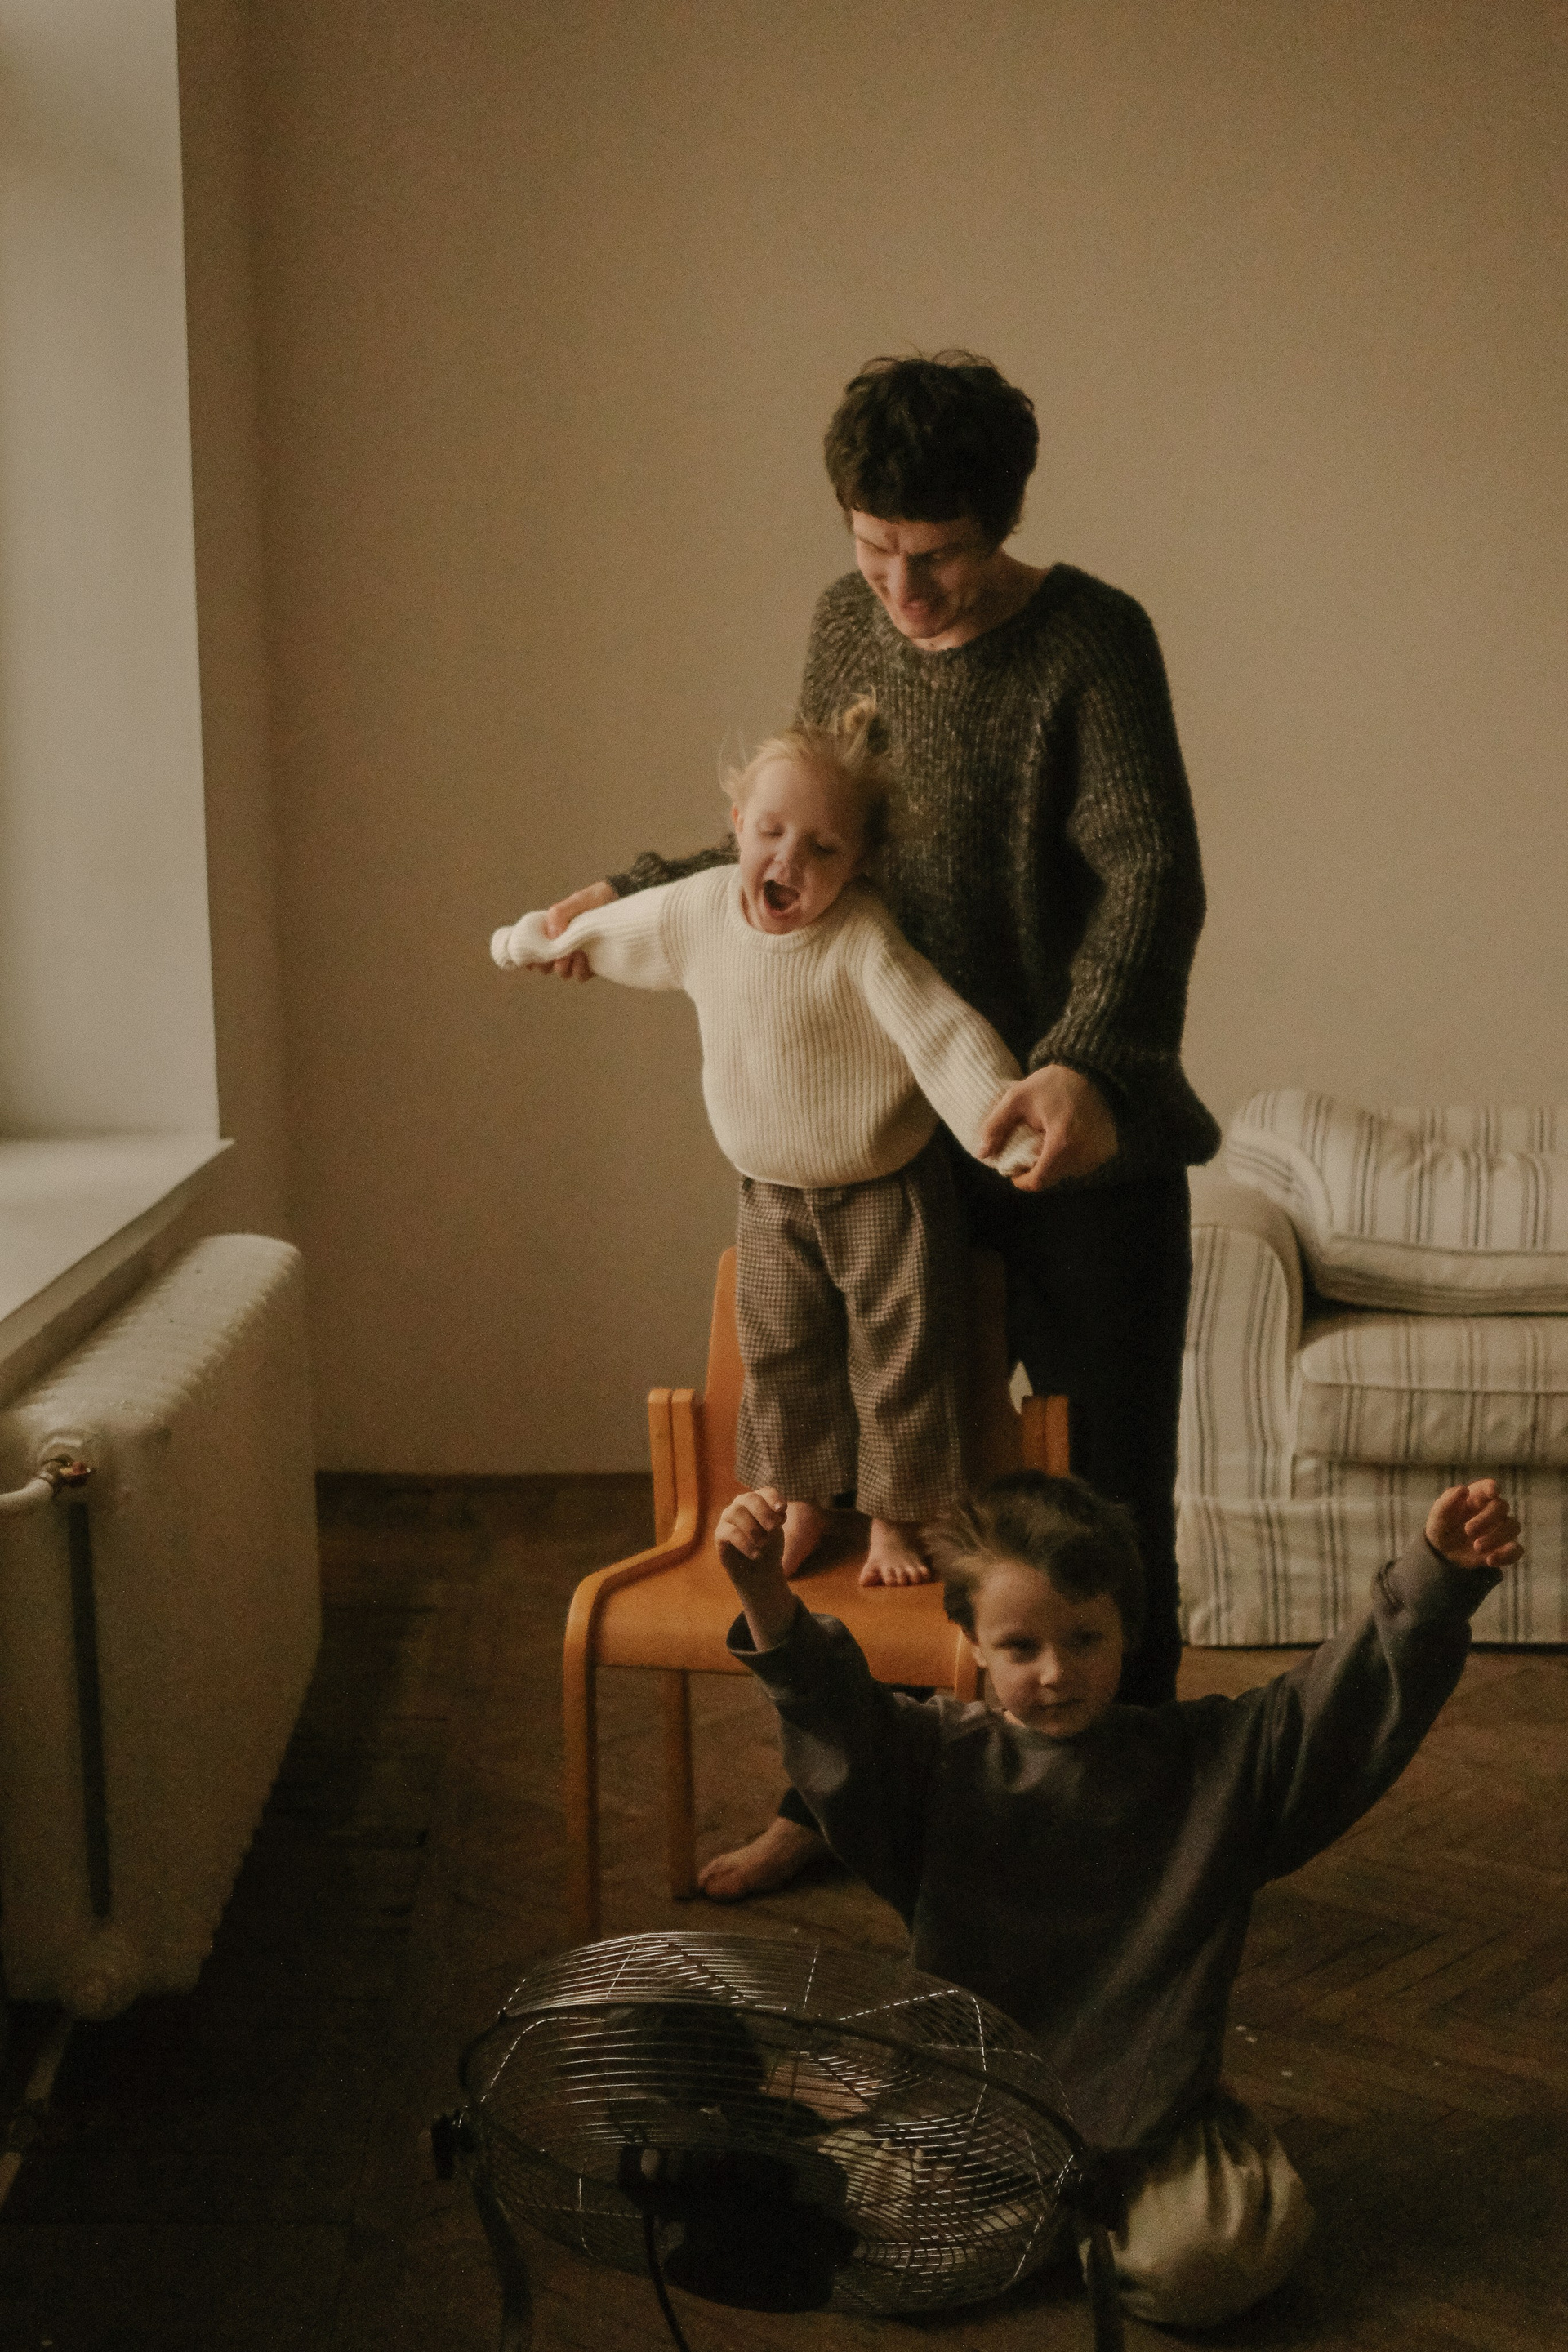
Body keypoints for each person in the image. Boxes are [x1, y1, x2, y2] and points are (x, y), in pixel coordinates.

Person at [535, 350, 1220, 1897]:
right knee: (868, 1485)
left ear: (1003, 521)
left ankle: (1127, 1827)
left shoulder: (1095, 641)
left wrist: (1086, 1065)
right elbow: (803, 831)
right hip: (895, 1143)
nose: (903, 590)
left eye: (940, 556)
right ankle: (845, 1798)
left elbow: (1150, 877)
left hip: (1074, 1143)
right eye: (873, 550)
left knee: (1106, 1498)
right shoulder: (847, 625)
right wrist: (632, 897)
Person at [714, 1468, 1523, 2328]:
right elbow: (833, 1714)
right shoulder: (932, 1761)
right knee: (844, 2231)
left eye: (1085, 1638)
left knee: (1214, 2263)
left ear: (1127, 1633)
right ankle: (1056, 2209)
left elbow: (1336, 1705)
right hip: (978, 2106)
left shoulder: (1209, 1762)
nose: (1056, 1672)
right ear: (973, 1643)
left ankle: (1080, 2207)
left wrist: (1434, 1574)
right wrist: (763, 1591)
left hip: (1147, 2119)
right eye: (1020, 1647)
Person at [492, 697, 1036, 1587]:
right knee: (782, 1352)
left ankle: (896, 1515)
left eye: (822, 849)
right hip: (770, 1192)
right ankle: (802, 1498)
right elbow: (622, 929)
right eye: (772, 833)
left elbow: (939, 1033)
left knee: (900, 1355)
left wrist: (1006, 1126)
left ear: (860, 865)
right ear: (737, 825)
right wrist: (538, 940)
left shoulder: (862, 939)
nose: (789, 862)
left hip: (884, 1186)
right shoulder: (701, 910)